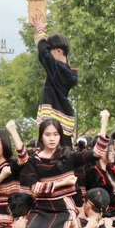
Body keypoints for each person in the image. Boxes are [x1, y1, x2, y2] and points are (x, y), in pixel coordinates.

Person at [32, 13, 78, 144]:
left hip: (55, 124)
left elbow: (42, 53)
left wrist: (40, 30)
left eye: (50, 51)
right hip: (63, 125)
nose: (49, 56)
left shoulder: (59, 70)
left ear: (58, 52)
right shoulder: (65, 72)